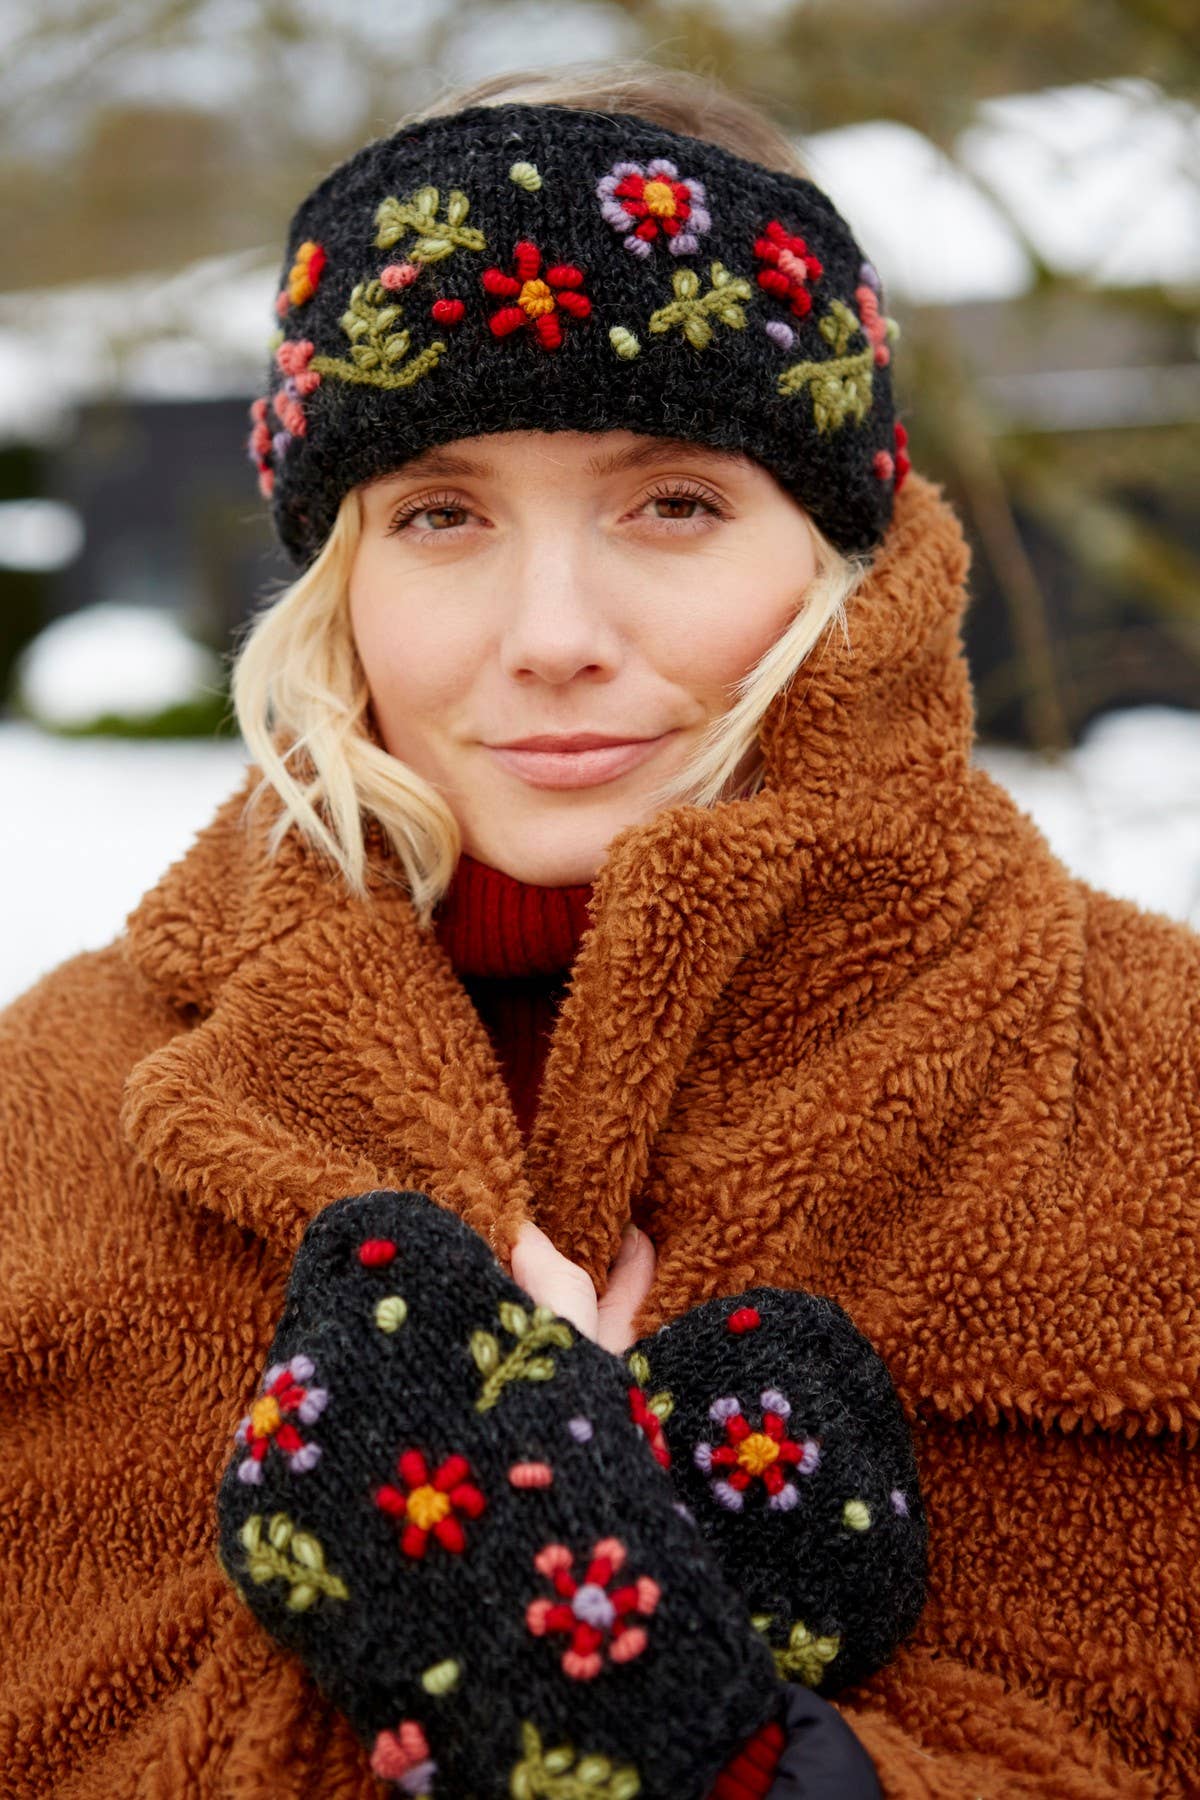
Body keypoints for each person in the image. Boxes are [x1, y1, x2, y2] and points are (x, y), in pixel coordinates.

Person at [1, 56, 1196, 1800]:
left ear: (845, 552)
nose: (552, 632)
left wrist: (701, 1744)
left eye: (675, 501)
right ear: (340, 580)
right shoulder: (54, 1110)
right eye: (441, 513)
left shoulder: (1150, 1090)